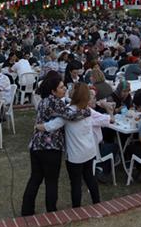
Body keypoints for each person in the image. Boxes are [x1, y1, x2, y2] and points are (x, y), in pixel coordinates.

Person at [21, 75, 90, 216]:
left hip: (36, 145)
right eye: (61, 87)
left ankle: (27, 210)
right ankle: (51, 211)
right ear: (53, 91)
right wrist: (87, 111)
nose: (64, 89)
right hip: (51, 147)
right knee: (51, 181)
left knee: (35, 178)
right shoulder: (56, 103)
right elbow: (72, 115)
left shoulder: (43, 101)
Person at [37, 83, 106, 208]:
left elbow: (53, 125)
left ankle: (76, 209)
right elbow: (102, 118)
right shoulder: (87, 110)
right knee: (90, 178)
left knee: (76, 183)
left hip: (75, 155)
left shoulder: (68, 112)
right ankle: (97, 202)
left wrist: (38, 126)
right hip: (89, 151)